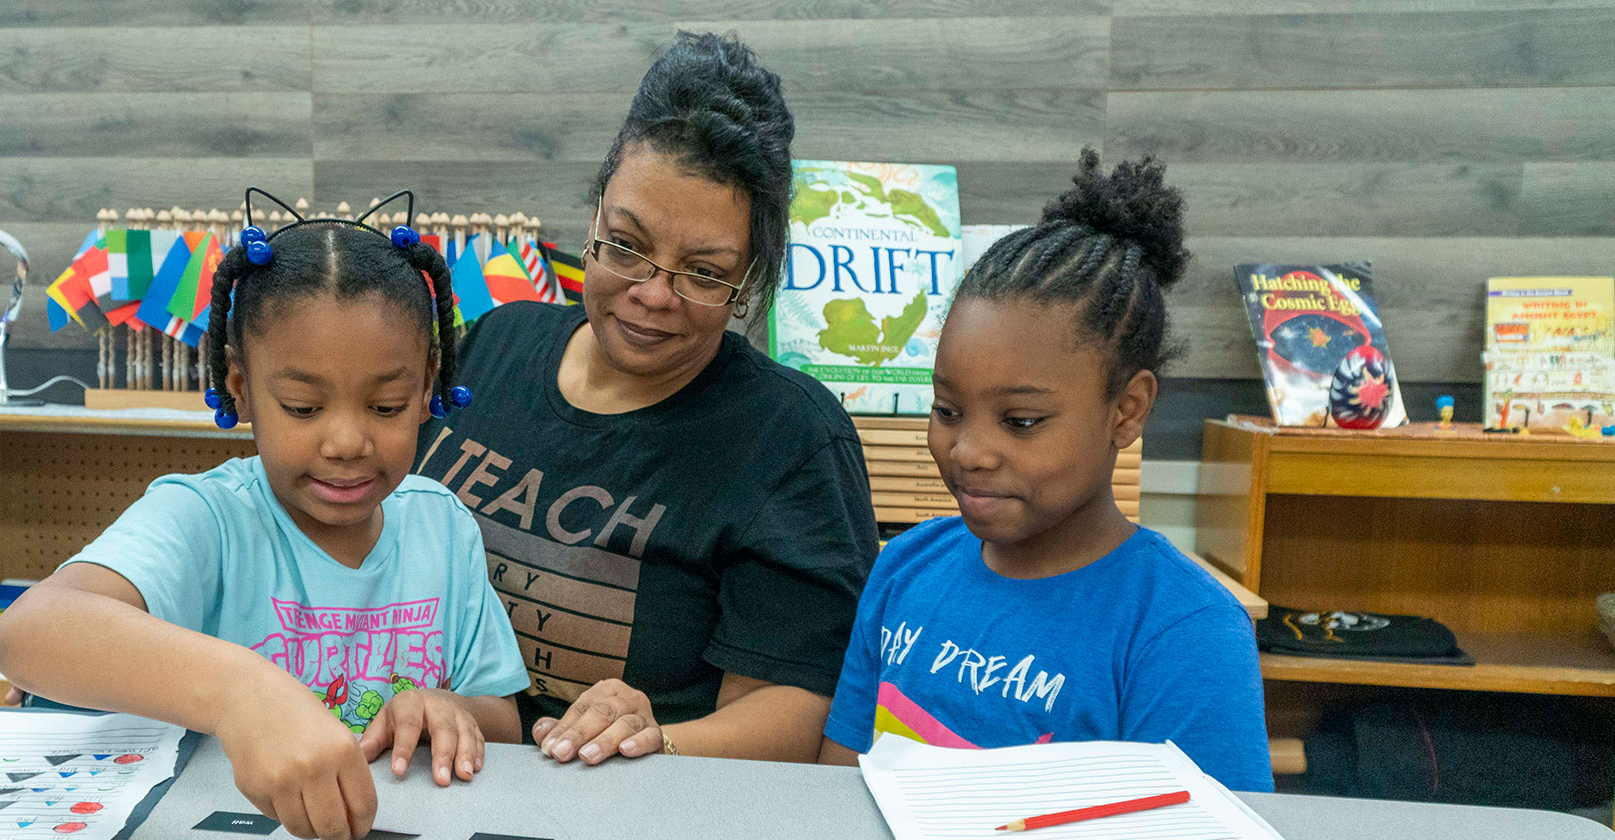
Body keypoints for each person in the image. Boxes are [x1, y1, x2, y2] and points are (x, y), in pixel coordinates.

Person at [0, 204, 531, 840]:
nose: (347, 442)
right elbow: (28, 631)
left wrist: (450, 709)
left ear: (426, 390)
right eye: (302, 407)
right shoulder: (208, 518)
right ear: (241, 388)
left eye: (387, 406)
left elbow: (503, 721)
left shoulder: (441, 526)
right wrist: (240, 692)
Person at [416, 32, 880, 767]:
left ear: (749, 278)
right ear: (595, 218)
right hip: (423, 766)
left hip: (637, 805)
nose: (653, 294)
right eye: (627, 246)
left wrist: (652, 739)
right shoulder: (495, 344)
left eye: (703, 273)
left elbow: (794, 715)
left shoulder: (791, 440)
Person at [817, 150, 1274, 792]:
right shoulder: (903, 569)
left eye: (1021, 421)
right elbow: (837, 793)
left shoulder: (1183, 630)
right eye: (947, 410)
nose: (969, 451)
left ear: (1126, 411)